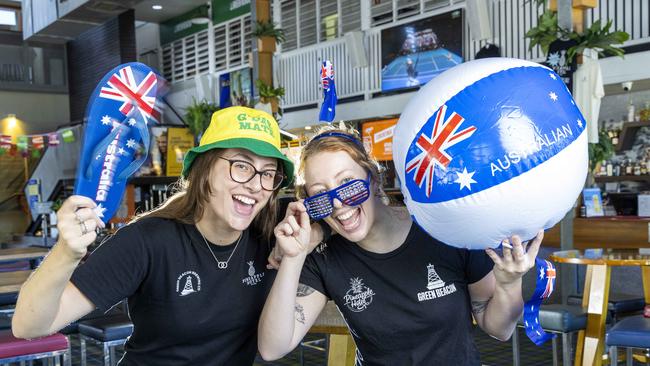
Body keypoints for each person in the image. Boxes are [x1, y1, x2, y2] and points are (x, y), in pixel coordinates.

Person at [12, 106, 301, 365]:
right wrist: (66, 253)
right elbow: (29, 326)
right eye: (241, 165)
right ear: (205, 168)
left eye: (268, 173)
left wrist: (310, 234)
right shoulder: (148, 240)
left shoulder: (270, 230)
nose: (255, 185)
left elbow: (332, 208)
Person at [258, 127, 544, 365]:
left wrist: (508, 285)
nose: (337, 203)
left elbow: (499, 329)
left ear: (374, 179)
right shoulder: (324, 258)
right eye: (319, 196)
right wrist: (293, 258)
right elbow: (273, 348)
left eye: (348, 184)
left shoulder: (441, 229)